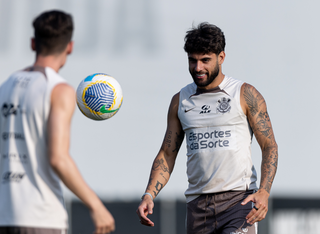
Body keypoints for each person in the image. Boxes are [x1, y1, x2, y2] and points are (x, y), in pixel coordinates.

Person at [136, 22, 278, 234]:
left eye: (205, 60)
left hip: (238, 202)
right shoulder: (180, 101)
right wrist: (149, 194)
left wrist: (264, 191)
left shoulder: (245, 94)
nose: (198, 68)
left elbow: (269, 146)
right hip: (197, 207)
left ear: (221, 58)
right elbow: (167, 154)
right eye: (192, 61)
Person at [0, 10, 115, 234]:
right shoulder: (59, 90)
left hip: (4, 216)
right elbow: (58, 158)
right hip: (41, 217)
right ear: (69, 47)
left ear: (33, 43)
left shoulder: (5, 87)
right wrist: (96, 205)